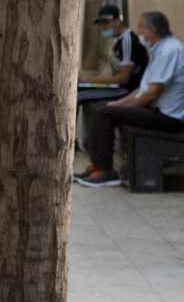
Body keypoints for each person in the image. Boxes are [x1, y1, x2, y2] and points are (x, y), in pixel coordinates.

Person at [77, 11, 184, 187]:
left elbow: (152, 93)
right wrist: (118, 104)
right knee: (102, 108)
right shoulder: (160, 49)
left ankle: (105, 171)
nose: (139, 32)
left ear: (153, 30)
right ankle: (97, 165)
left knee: (105, 114)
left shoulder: (170, 50)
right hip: (155, 110)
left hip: (168, 118)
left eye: (142, 27)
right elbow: (141, 90)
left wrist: (123, 108)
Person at [86, 5, 148, 91]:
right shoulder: (117, 40)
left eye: (106, 23)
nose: (103, 27)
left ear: (117, 21)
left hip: (130, 90)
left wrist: (87, 80)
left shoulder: (127, 40)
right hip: (119, 88)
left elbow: (123, 78)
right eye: (101, 24)